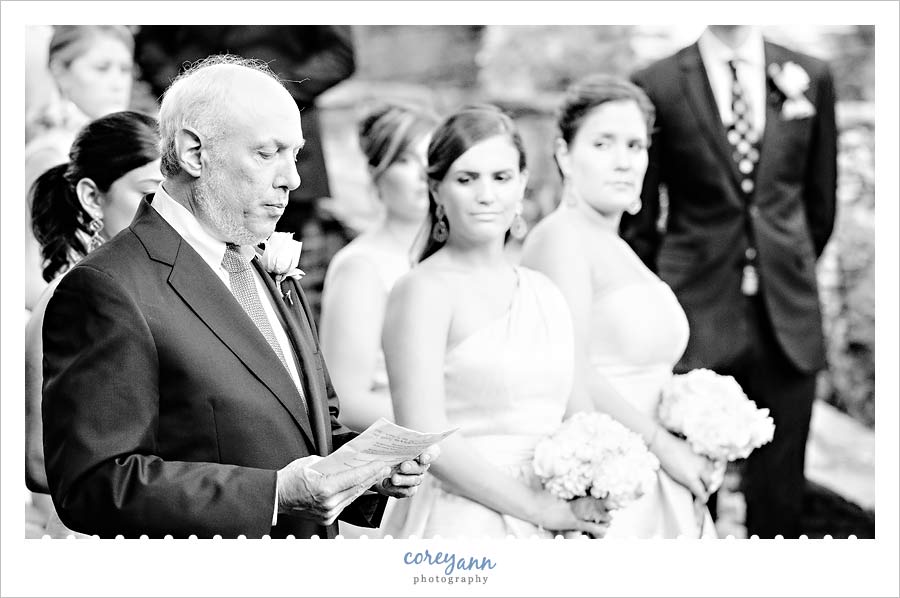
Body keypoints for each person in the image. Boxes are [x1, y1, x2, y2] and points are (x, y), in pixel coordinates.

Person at [41, 55, 435, 539]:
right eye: (268, 153)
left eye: (295, 155)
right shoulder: (109, 287)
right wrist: (273, 495)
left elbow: (306, 427)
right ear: (193, 153)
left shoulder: (268, 264)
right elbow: (94, 484)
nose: (293, 179)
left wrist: (368, 470)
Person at [621, 25, 837, 538]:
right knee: (692, 495)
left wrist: (784, 264)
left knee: (781, 498)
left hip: (787, 314)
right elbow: (640, 219)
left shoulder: (811, 74)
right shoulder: (658, 82)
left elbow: (821, 200)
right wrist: (660, 301)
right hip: (694, 313)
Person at [379, 105, 609, 539]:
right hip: (463, 520)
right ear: (436, 189)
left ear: (522, 182)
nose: (486, 195)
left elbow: (579, 412)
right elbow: (425, 433)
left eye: (501, 177)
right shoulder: (422, 290)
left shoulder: (545, 292)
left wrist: (594, 484)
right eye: (467, 179)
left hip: (555, 513)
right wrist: (537, 509)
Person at [521, 75, 718, 539]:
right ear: (564, 154)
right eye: (603, 144)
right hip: (610, 476)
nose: (624, 162)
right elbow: (572, 371)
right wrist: (662, 446)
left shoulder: (618, 246)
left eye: (635, 146)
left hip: (655, 469)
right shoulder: (561, 238)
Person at [134, 26, 357, 317]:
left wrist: (265, 98)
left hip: (285, 121)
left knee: (280, 294)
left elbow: (339, 54)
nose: (292, 181)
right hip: (199, 139)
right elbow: (151, 45)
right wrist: (193, 95)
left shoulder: (285, 168)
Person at [25, 110, 163, 537]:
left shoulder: (151, 286)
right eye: (149, 192)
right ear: (91, 197)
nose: (165, 212)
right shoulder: (70, 299)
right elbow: (39, 461)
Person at [320, 103, 439, 433]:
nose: (423, 174)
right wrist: (451, 424)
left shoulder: (456, 255)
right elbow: (347, 400)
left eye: (431, 158)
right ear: (377, 173)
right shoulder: (361, 268)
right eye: (405, 160)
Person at [26, 25, 136, 311]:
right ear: (60, 71)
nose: (117, 82)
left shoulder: (124, 149)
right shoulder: (52, 156)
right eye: (101, 68)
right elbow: (27, 273)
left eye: (124, 69)